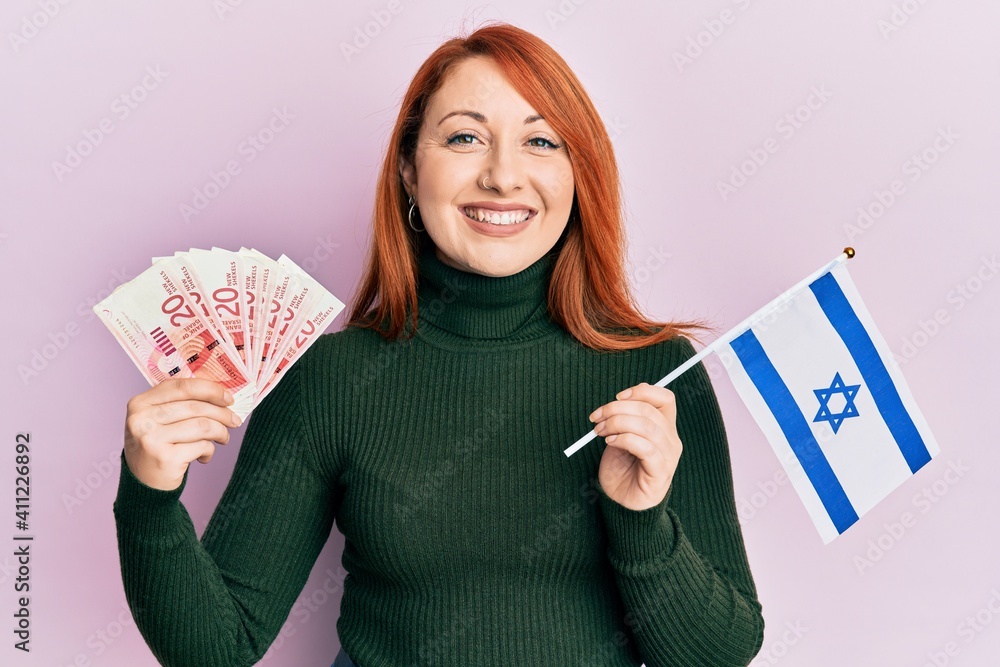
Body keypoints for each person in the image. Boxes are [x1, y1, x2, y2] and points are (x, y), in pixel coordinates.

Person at [113, 22, 765, 667]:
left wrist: (641, 519)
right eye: (465, 137)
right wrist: (149, 495)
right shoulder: (331, 380)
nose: (504, 176)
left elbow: (720, 655)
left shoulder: (657, 374)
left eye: (541, 141)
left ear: (579, 174)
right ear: (408, 167)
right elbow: (215, 648)